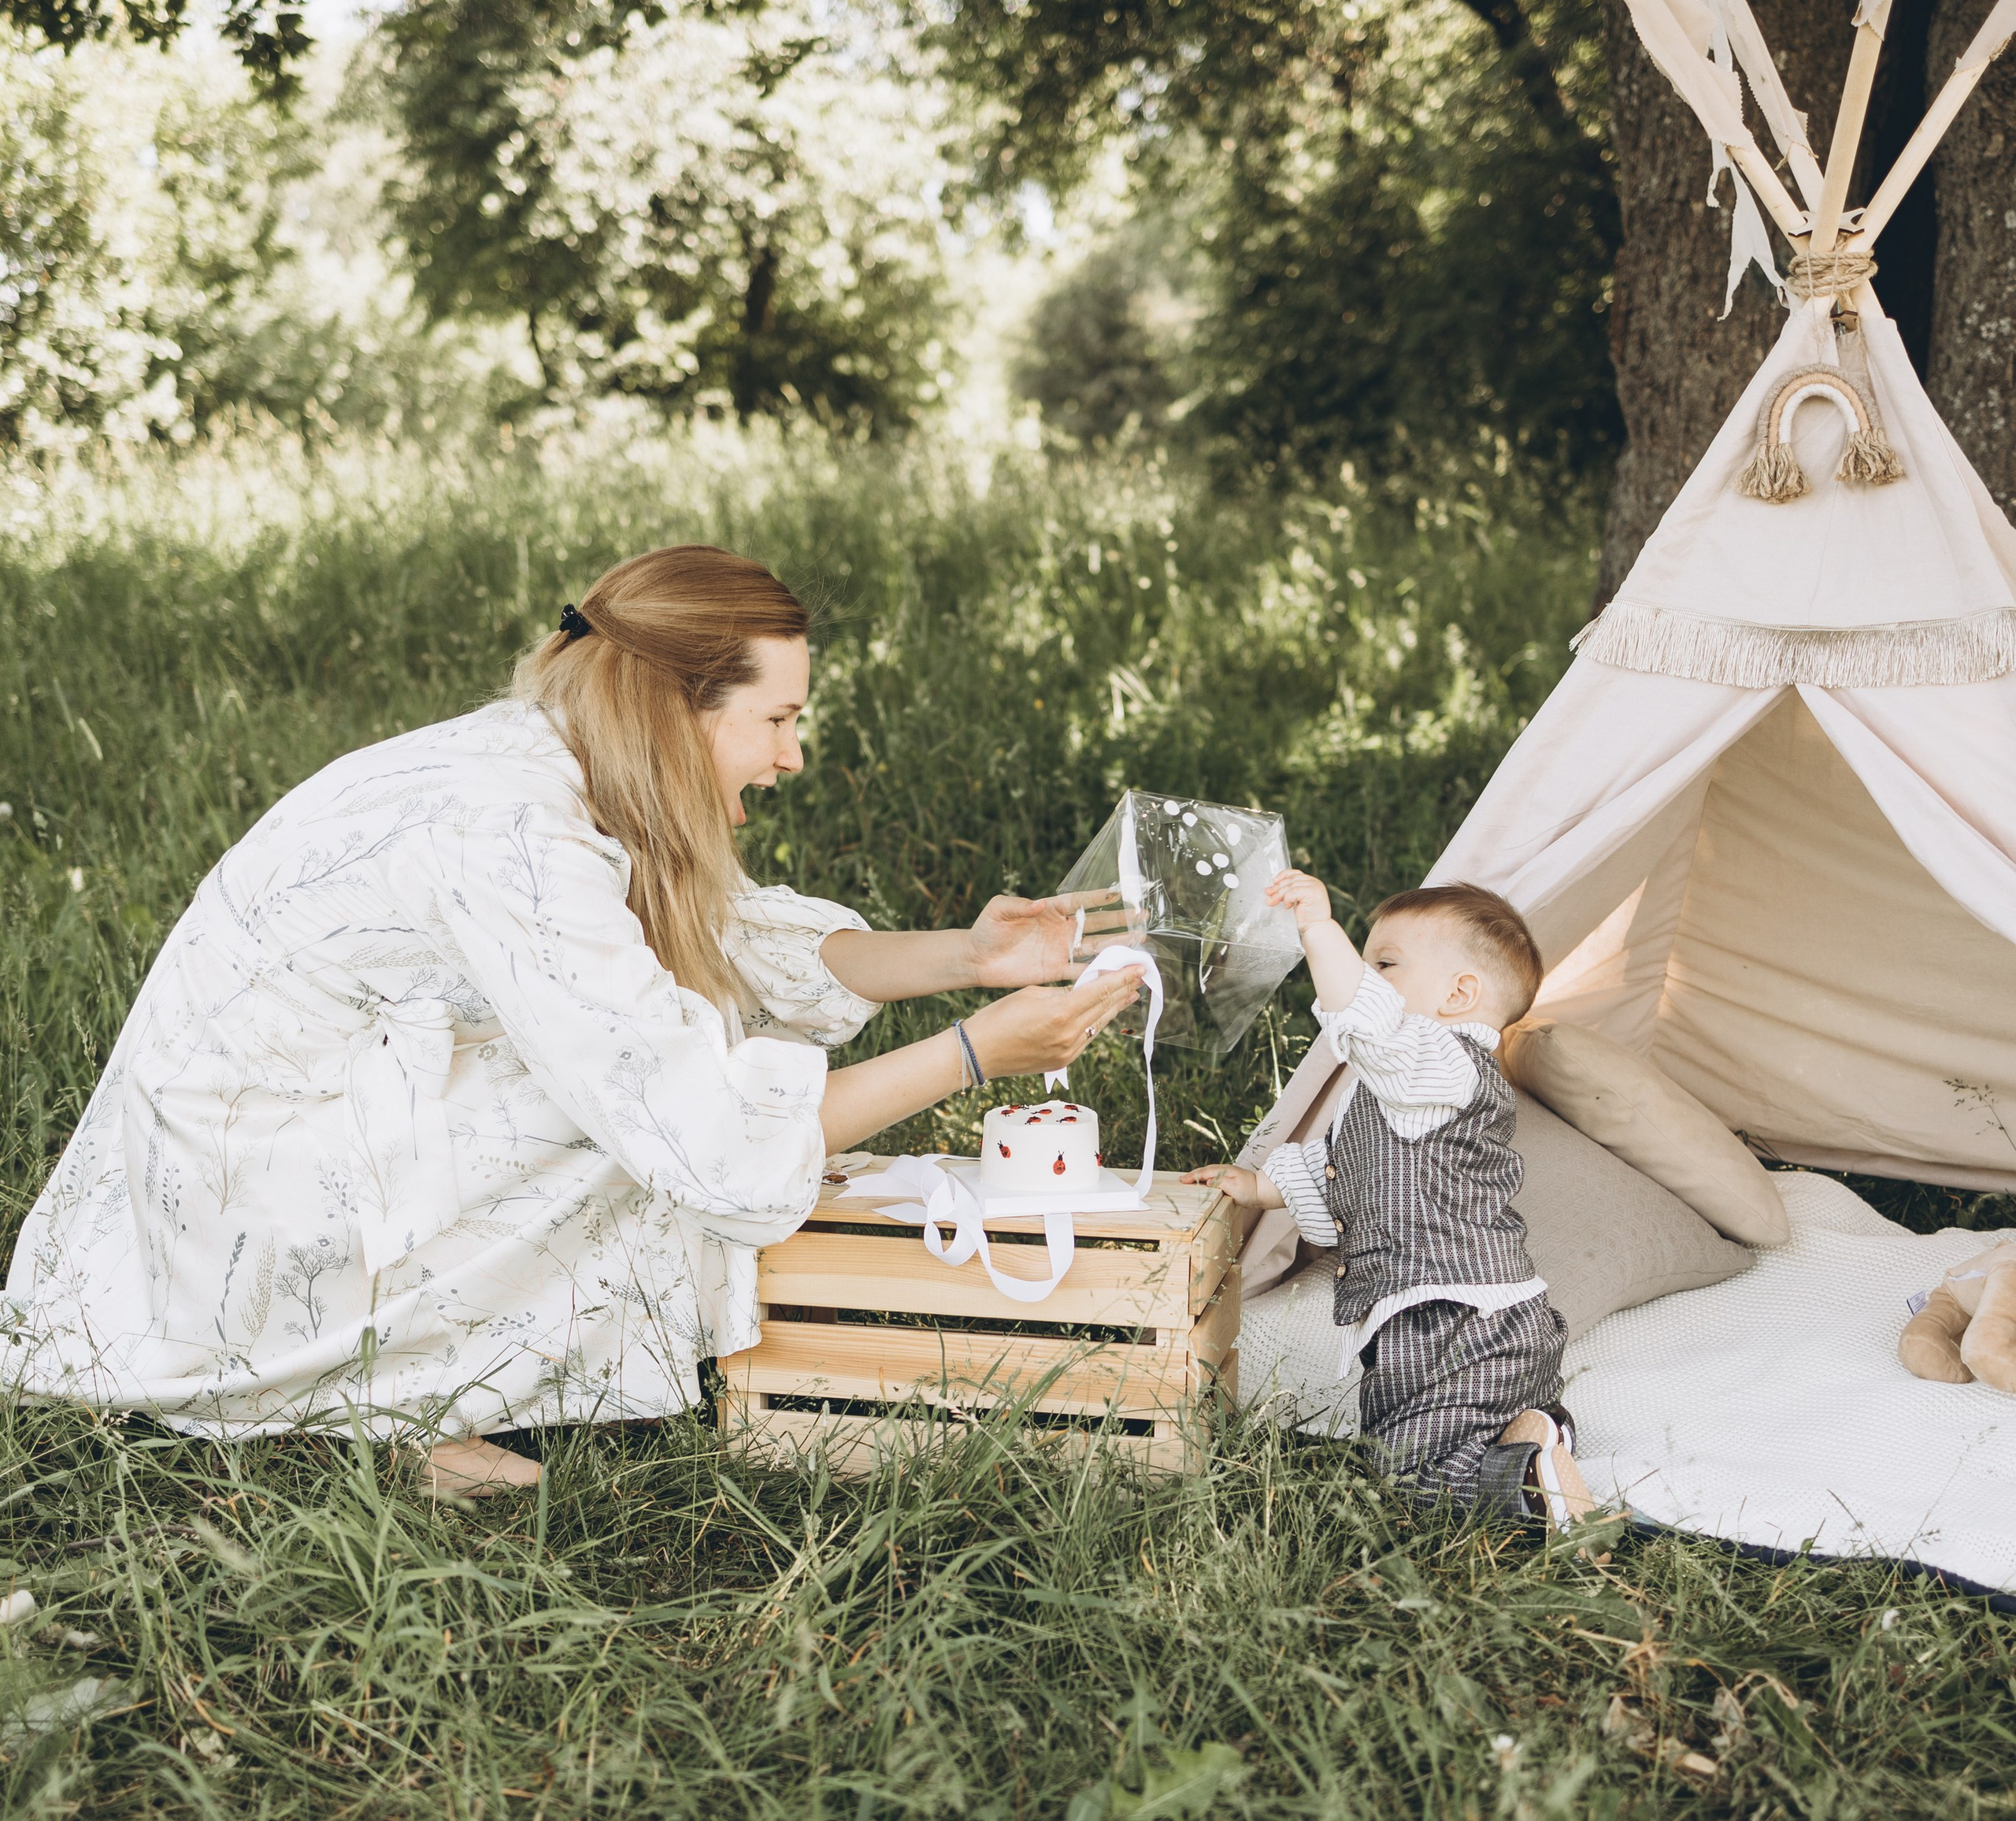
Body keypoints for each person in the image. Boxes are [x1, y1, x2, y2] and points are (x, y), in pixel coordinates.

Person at [2, 545, 1139, 1496]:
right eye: (777, 718)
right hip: (246, 1187)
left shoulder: (560, 756)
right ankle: (361, 1401)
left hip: (291, 1116)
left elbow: (739, 937)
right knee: (635, 1120)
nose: (795, 753)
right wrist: (980, 1053)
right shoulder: (513, 832)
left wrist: (973, 958)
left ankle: (414, 1376)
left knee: (674, 1043)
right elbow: (707, 1139)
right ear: (676, 707)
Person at [1183, 874, 1592, 1526]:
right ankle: (1539, 1435)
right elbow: (1350, 1168)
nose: (1366, 978)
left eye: (1384, 966)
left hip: (1445, 1321)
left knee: (1408, 1472)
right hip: (1496, 1321)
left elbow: (1369, 1026)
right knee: (1470, 1421)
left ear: (1460, 995)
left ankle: (1524, 1490)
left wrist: (1319, 929)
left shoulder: (1440, 1061)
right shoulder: (1407, 1088)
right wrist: (1263, 1187)